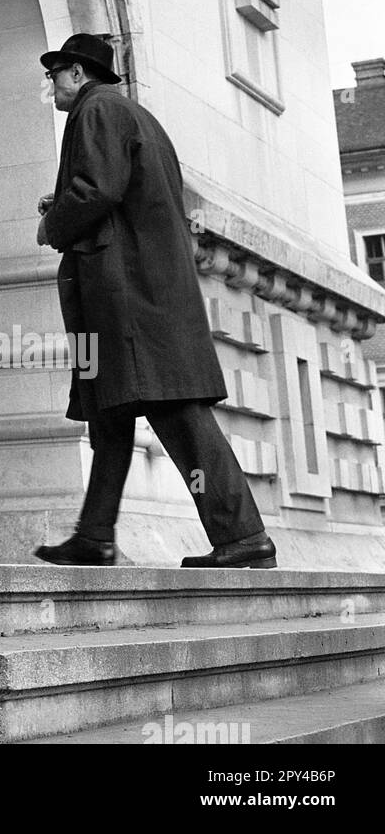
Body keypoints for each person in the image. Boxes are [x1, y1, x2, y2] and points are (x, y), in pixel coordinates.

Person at [32, 33, 277, 569]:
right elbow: (122, 191)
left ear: (77, 74)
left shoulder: (96, 110)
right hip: (139, 290)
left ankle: (242, 535)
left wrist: (54, 224)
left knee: (175, 411)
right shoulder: (133, 117)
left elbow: (97, 189)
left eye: (55, 75)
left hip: (128, 297)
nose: (51, 86)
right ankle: (94, 535)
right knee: (111, 413)